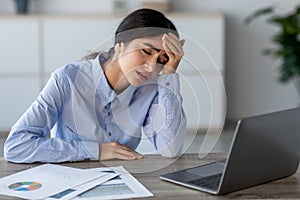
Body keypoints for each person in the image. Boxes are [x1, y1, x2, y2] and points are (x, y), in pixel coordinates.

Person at [4, 8, 187, 163]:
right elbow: (16, 146)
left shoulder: (153, 89)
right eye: (146, 51)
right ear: (120, 46)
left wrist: (169, 73)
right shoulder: (67, 79)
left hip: (125, 182)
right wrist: (95, 150)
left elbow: (170, 149)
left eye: (162, 59)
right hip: (69, 181)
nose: (151, 67)